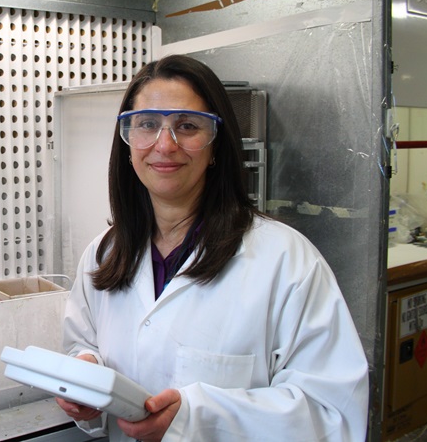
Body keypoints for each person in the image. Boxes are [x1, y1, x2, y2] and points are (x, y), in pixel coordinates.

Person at [56, 54, 369, 441]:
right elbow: (82, 345)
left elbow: (333, 415)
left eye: (187, 126)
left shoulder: (286, 261)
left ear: (216, 144)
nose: (164, 145)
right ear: (128, 142)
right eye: (147, 125)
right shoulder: (105, 253)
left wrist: (198, 418)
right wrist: (84, 376)